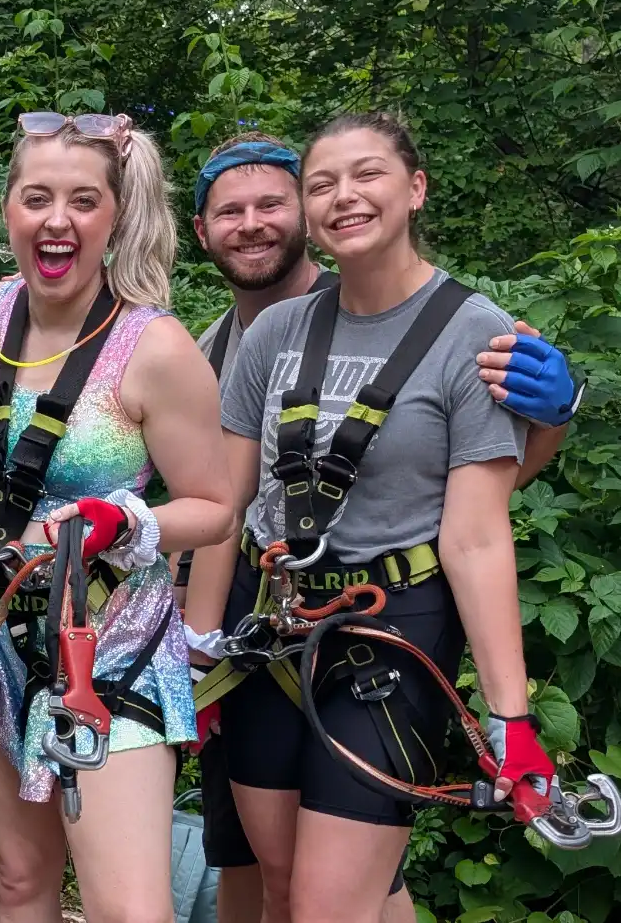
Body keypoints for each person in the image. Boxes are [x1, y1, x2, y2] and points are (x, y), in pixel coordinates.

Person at [182, 132, 580, 923]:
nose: (345, 196)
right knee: (281, 886)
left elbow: (475, 536)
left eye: (368, 174)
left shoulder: (473, 334)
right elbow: (224, 510)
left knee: (329, 906)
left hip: (391, 630)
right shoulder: (272, 334)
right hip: (270, 622)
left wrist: (510, 718)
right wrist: (195, 657)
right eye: (324, 182)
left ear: (416, 188)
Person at [0, 112, 236, 922]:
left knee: (128, 909)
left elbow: (214, 508)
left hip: (108, 646)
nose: (56, 220)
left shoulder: (156, 348)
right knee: (18, 881)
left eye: (82, 200)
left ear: (115, 215)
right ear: (8, 210)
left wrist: (124, 520)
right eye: (36, 198)